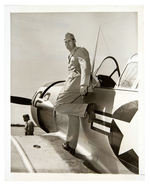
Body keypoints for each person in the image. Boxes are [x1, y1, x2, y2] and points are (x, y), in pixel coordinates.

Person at [54, 33, 96, 155]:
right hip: (74, 82)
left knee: (58, 105)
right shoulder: (71, 55)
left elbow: (85, 67)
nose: (67, 43)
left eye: (69, 41)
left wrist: (84, 84)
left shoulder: (80, 51)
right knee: (73, 114)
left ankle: (87, 108)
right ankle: (71, 145)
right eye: (65, 42)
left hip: (76, 83)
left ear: (74, 40)